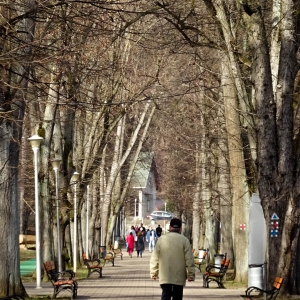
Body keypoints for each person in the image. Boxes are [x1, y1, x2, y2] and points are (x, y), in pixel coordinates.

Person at [150, 218, 195, 300]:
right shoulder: (184, 240)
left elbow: (155, 257)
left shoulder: (161, 240)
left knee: (166, 294)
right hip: (179, 274)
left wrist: (154, 272)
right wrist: (191, 274)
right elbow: (189, 259)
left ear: (170, 227)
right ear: (180, 228)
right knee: (177, 296)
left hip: (165, 273)